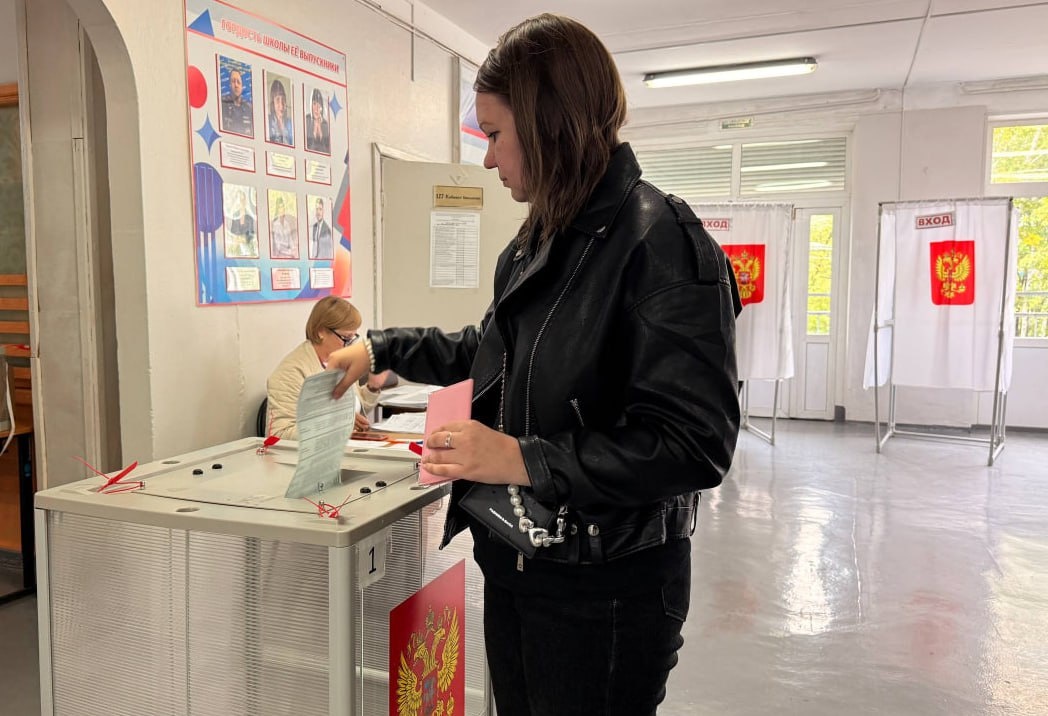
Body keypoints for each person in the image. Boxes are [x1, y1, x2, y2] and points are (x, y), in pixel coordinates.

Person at [328, 13, 741, 716]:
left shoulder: (661, 242)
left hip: (608, 591)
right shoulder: (536, 243)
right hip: (520, 564)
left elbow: (694, 444)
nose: (488, 159)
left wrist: (521, 458)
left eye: (494, 135)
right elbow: (492, 348)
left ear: (550, 125)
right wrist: (382, 348)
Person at [267, 296, 389, 439]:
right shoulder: (290, 373)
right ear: (321, 332)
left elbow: (356, 410)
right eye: (345, 338)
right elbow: (280, 434)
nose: (350, 345)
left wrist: (372, 388)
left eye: (353, 338)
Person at [220, 67, 253, 136]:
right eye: (233, 81)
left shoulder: (249, 108)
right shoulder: (222, 105)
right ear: (230, 84)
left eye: (238, 82)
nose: (236, 85)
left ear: (242, 86)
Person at [226, 189, 257, 257]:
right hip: (238, 251)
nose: (241, 201)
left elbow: (251, 235)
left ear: (245, 201)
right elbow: (234, 234)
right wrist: (239, 239)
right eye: (240, 199)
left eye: (243, 199)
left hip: (249, 250)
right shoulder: (234, 215)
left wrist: (243, 239)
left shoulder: (250, 217)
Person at [267, 78, 294, 146]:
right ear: (273, 103)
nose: (281, 105)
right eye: (277, 100)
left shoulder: (290, 123)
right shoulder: (267, 122)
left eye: (283, 99)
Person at [304, 88, 330, 153]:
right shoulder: (306, 121)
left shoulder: (325, 124)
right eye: (314, 103)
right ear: (311, 105)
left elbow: (328, 150)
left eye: (319, 105)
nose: (317, 108)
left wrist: (320, 130)